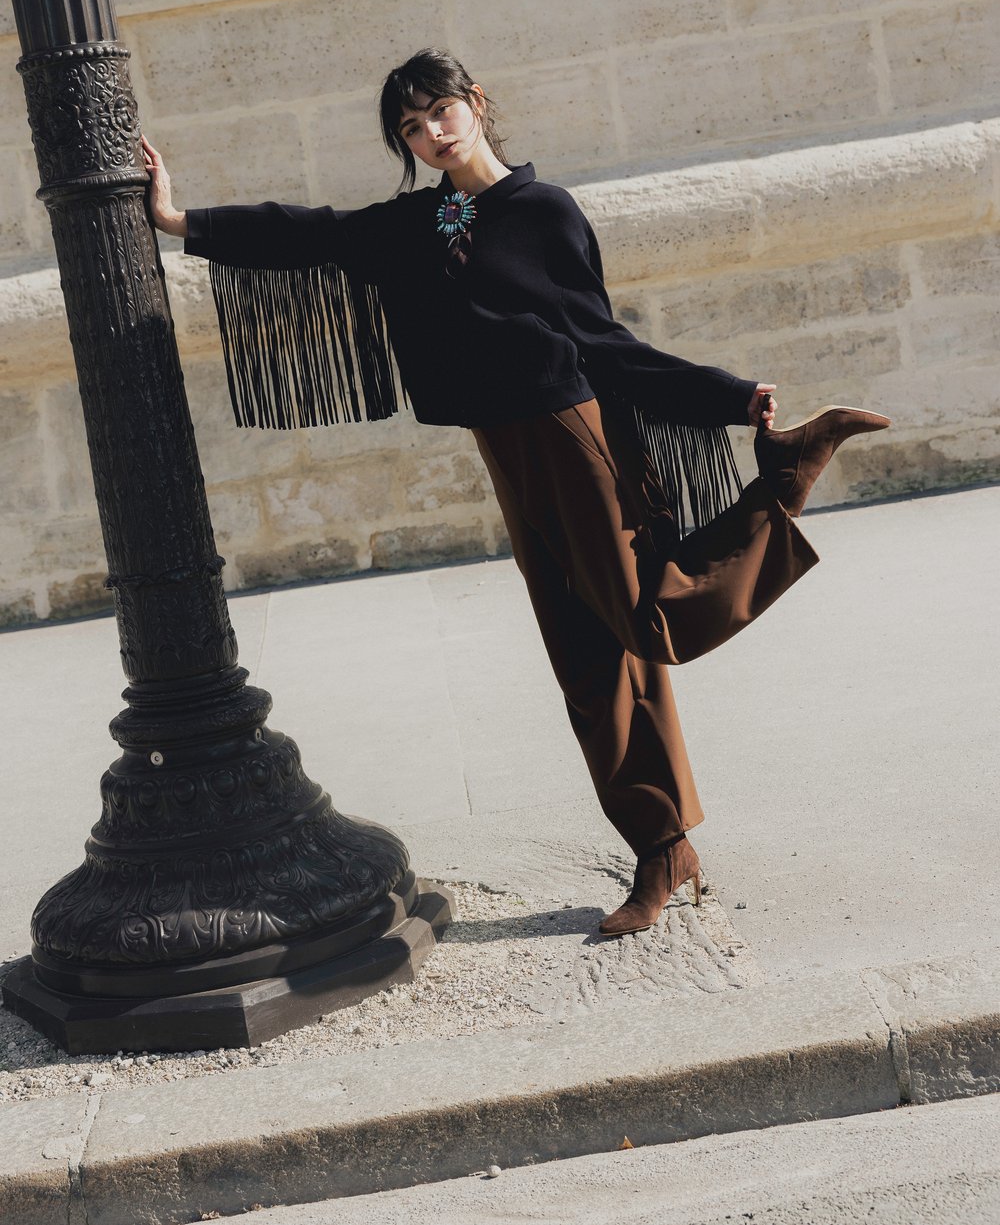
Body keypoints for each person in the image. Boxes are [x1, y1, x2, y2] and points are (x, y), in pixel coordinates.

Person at [143, 47, 889, 938]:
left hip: (574, 433)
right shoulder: (419, 224)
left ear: (476, 102)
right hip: (506, 447)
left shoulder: (543, 212)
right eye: (411, 128)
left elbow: (603, 341)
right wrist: (180, 219)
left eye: (439, 110)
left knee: (646, 619)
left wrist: (727, 399)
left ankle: (786, 479)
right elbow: (315, 232)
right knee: (584, 655)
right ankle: (661, 847)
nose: (430, 133)